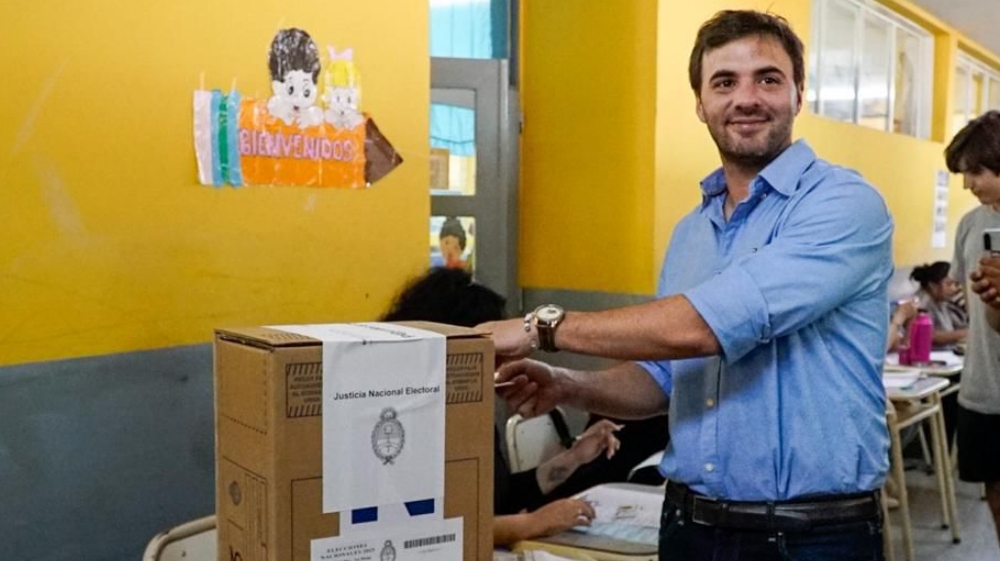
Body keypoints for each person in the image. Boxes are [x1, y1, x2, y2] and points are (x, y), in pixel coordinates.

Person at [483, 10, 893, 560]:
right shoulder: (692, 232)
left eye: (768, 79)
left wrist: (542, 327)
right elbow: (664, 379)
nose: (746, 98)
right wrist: (568, 385)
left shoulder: (843, 204)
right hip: (689, 526)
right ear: (700, 103)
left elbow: (708, 325)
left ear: (799, 93)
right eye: (724, 82)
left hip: (812, 537)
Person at [379, 267, 622, 548]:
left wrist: (573, 458)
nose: (501, 366)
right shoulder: (400, 423)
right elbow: (416, 529)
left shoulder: (471, 414)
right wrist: (532, 523)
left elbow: (498, 498)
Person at [944, 109, 1000, 549]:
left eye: (977, 171)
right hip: (982, 388)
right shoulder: (971, 224)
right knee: (995, 495)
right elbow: (963, 296)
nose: (967, 184)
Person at [909, 261, 968, 346]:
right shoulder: (919, 303)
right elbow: (927, 335)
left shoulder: (943, 301)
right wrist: (963, 334)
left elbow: (959, 325)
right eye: (949, 284)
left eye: (955, 284)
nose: (954, 289)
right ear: (932, 286)